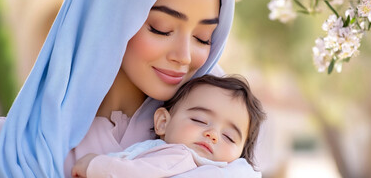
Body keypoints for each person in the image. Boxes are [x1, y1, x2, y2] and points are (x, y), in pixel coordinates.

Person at [0, 0, 262, 177]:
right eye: (161, 28)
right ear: (108, 15)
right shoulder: (10, 148)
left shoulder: (218, 149)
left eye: (203, 37)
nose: (184, 56)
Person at [71, 75, 266, 178]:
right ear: (163, 122)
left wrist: (92, 165)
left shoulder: (180, 156)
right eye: (199, 120)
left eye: (229, 137)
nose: (213, 134)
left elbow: (132, 173)